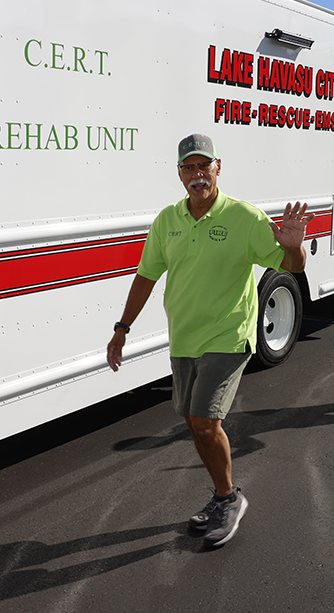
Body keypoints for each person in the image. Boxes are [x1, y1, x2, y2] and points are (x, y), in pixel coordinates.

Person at [106, 133, 312, 547]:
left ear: (219, 167)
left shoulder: (244, 217)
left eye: (204, 166)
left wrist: (295, 248)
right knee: (194, 424)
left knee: (205, 421)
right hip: (184, 337)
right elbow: (146, 276)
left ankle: (229, 499)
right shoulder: (168, 220)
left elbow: (288, 264)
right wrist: (122, 328)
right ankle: (223, 495)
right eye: (189, 167)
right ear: (179, 173)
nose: (197, 175)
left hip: (228, 333)